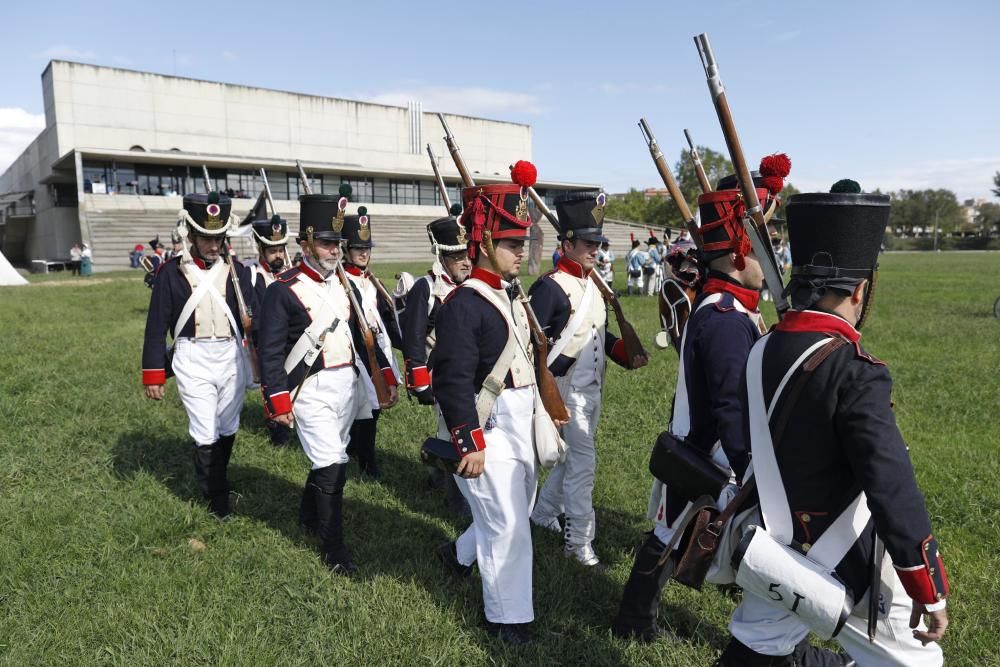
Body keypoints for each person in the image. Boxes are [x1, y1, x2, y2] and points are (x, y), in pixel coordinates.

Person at [716, 180, 950, 666]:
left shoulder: (762, 347)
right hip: (845, 552)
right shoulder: (855, 370)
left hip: (774, 544)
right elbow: (890, 483)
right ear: (861, 288)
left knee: (758, 648)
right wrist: (926, 584)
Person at [612, 167, 816, 653]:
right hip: (711, 452)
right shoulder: (725, 317)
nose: (772, 254)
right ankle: (634, 621)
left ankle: (638, 617)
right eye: (762, 239)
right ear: (741, 249)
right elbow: (731, 406)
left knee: (670, 537)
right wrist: (754, 473)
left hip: (712, 448)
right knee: (668, 536)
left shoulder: (733, 305)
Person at [433, 161, 552, 645]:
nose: (519, 250)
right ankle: (507, 620)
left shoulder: (507, 295)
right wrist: (469, 440)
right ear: (483, 243)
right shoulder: (465, 303)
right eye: (510, 242)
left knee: (518, 512)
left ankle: (457, 556)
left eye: (522, 242)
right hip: (489, 429)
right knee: (508, 527)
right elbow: (452, 380)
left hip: (520, 423)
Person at [257, 187, 398, 575]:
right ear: (304, 241)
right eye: (325, 242)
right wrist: (277, 400)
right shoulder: (282, 290)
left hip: (348, 386)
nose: (335, 250)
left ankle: (307, 515)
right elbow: (269, 352)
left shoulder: (346, 285)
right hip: (310, 390)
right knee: (334, 463)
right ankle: (334, 548)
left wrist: (384, 374)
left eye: (337, 242)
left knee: (328, 457)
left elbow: (363, 333)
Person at [528, 192, 648, 567]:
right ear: (567, 244)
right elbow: (534, 346)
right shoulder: (549, 287)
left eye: (598, 243)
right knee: (583, 467)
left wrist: (624, 353)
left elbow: (597, 335)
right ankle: (579, 542)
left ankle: (543, 513)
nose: (596, 249)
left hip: (592, 391)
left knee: (571, 461)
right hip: (564, 394)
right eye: (588, 243)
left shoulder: (594, 285)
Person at [141, 191, 258, 520]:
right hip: (192, 357)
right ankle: (216, 499)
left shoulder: (240, 273)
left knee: (228, 425)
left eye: (217, 237)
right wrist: (153, 373)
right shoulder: (170, 273)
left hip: (231, 355)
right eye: (205, 238)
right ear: (190, 235)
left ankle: (217, 477)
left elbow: (254, 318)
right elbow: (155, 328)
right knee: (205, 428)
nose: (212, 245)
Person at [400, 205, 473, 516]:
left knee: (452, 430)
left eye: (467, 254)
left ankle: (438, 474)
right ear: (442, 256)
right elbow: (413, 337)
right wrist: (418, 379)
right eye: (457, 257)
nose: (465, 262)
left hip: (471, 369)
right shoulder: (426, 288)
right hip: (441, 371)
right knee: (457, 432)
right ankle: (458, 502)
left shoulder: (471, 285)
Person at [341, 203, 402, 478]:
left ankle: (357, 451)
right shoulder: (342, 282)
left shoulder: (371, 281)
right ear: (345, 250)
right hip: (357, 350)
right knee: (366, 406)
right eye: (357, 249)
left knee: (371, 408)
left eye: (366, 249)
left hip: (378, 347)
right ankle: (366, 460)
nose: (364, 253)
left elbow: (387, 321)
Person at [244, 203, 292, 447]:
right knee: (272, 381)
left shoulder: (289, 273)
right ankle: (277, 427)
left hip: (293, 341)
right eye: (272, 251)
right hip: (266, 339)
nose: (278, 256)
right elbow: (251, 313)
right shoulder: (251, 275)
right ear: (261, 250)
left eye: (281, 249)